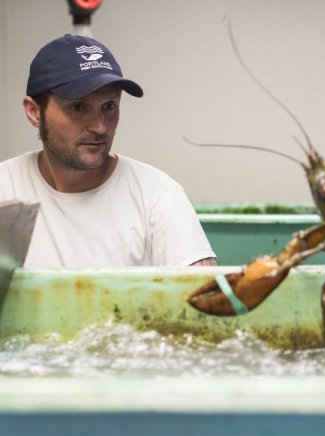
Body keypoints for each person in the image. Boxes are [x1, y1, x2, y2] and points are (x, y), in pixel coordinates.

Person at [0, 34, 216, 268]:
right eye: (78, 107)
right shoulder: (6, 187)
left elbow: (203, 294)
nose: (100, 126)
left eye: (109, 106)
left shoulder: (157, 195)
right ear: (34, 111)